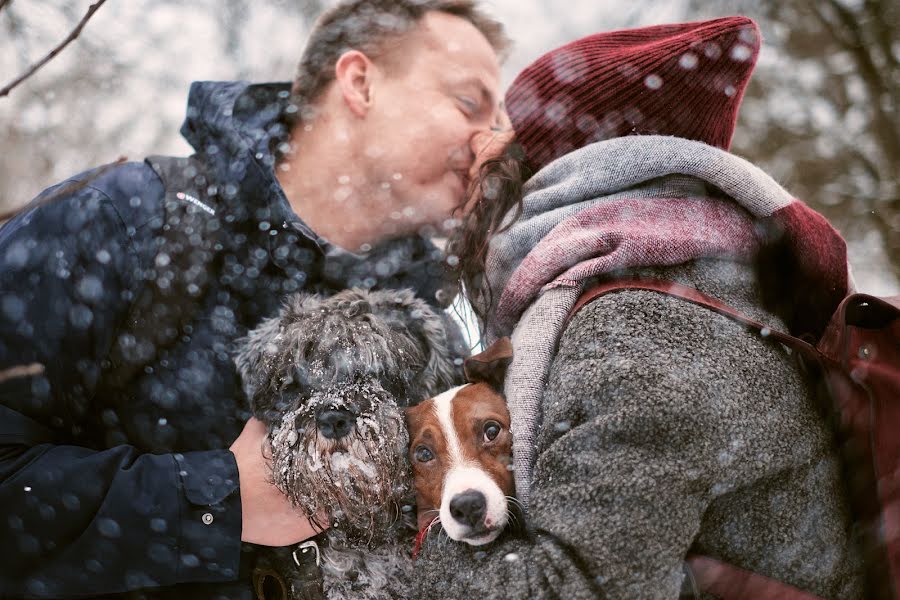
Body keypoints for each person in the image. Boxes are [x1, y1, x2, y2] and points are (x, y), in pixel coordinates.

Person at [0, 1, 509, 597]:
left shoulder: (436, 316)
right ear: (360, 83)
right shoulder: (117, 221)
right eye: (470, 103)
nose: (495, 139)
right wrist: (215, 499)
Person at [415, 17, 867, 598]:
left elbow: (570, 588)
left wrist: (409, 550)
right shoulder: (690, 290)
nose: (479, 147)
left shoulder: (636, 331)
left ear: (566, 169)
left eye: (506, 133)